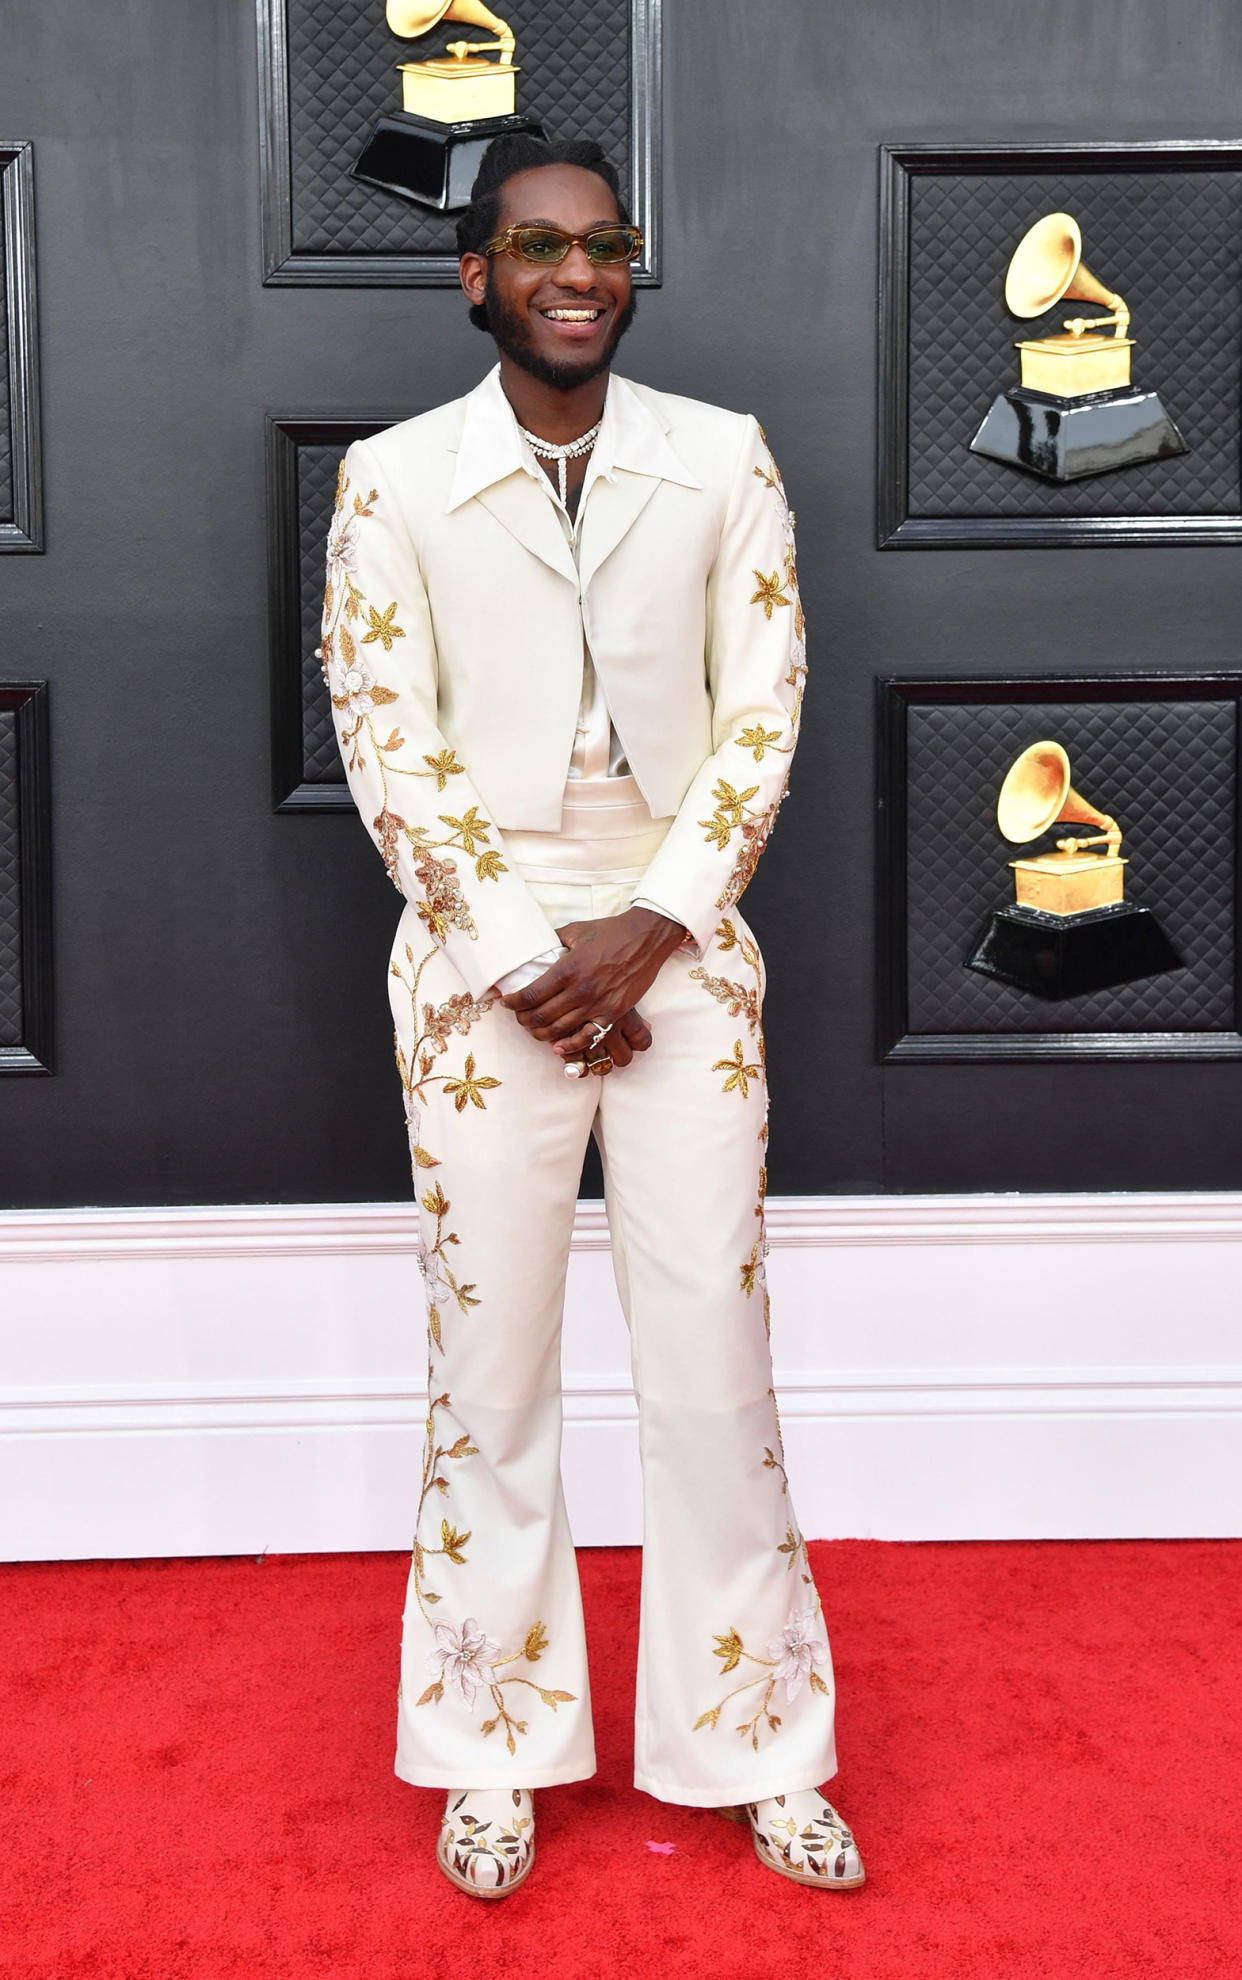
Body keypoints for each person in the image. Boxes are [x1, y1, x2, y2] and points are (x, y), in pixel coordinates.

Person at [322, 132, 864, 1899]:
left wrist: (648, 927)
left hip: (680, 942)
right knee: (494, 1374)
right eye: (536, 247)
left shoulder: (720, 461)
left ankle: (761, 1741)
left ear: (630, 268)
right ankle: (491, 1741)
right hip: (477, 961)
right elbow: (384, 738)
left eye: (605, 243)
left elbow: (760, 710)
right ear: (473, 276)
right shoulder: (394, 483)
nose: (578, 271)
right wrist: (516, 956)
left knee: (713, 1358)